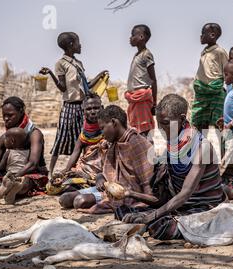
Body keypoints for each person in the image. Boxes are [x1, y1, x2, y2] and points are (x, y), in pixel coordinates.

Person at [119, 94, 225, 240]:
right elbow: (165, 197)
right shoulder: (171, 147)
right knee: (123, 211)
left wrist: (151, 216)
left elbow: (185, 194)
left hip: (203, 208)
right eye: (159, 124)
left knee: (159, 227)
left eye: (166, 123)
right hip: (180, 207)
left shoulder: (202, 147)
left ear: (182, 119)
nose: (162, 129)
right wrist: (131, 194)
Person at [59, 105, 155, 212]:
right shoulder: (112, 144)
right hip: (107, 189)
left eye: (102, 128)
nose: (102, 134)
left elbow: (148, 186)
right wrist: (100, 177)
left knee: (79, 201)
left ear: (114, 123)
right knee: (65, 199)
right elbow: (102, 171)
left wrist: (130, 195)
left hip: (126, 195)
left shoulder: (136, 144)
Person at [40, 32, 108, 176]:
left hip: (83, 107)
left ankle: (79, 169)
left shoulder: (78, 64)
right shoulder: (61, 64)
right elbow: (63, 87)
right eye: (78, 42)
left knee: (84, 139)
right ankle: (50, 173)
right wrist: (51, 74)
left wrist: (100, 75)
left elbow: (87, 86)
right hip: (70, 106)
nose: (80, 45)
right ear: (71, 45)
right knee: (61, 138)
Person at [0, 97, 48, 202]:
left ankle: (12, 188)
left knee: (25, 182)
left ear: (21, 112)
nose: (6, 118)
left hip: (32, 174)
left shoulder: (34, 134)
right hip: (9, 175)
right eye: (4, 116)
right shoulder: (6, 137)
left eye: (10, 115)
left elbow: (33, 163)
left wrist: (14, 176)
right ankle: (7, 188)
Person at [47, 93, 107, 195]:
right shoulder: (83, 134)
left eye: (96, 108)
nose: (92, 112)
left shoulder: (108, 130)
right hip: (86, 170)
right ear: (83, 111)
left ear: (102, 108)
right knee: (60, 185)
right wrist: (65, 172)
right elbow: (75, 154)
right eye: (89, 109)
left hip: (104, 171)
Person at [191, 23, 229, 130]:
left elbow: (227, 71)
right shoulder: (204, 52)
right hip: (201, 92)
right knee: (199, 123)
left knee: (219, 123)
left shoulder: (220, 52)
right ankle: (199, 146)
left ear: (212, 35)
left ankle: (224, 146)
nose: (200, 36)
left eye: (203, 33)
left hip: (215, 91)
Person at [125, 24, 157, 138]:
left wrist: (154, 103)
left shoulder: (146, 54)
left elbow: (153, 80)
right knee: (137, 130)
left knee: (144, 130)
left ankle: (148, 153)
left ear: (141, 37)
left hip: (141, 98)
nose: (130, 38)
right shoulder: (137, 55)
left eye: (133, 35)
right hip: (134, 98)